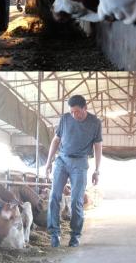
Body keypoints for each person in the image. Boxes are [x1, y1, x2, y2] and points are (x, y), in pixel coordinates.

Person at [44, 95, 102, 247]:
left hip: (80, 162)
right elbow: (56, 140)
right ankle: (54, 234)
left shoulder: (95, 123)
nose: (74, 115)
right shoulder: (65, 119)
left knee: (77, 200)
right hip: (62, 160)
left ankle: (75, 235)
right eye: (72, 112)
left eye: (77, 112)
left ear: (85, 108)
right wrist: (49, 162)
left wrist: (97, 170)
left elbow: (97, 147)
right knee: (54, 196)